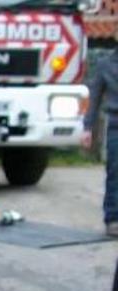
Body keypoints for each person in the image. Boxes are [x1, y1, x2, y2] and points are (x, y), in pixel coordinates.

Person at [83, 49, 118, 237]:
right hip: (116, 126)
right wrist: (87, 128)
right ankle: (113, 219)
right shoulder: (106, 65)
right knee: (115, 173)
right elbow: (94, 99)